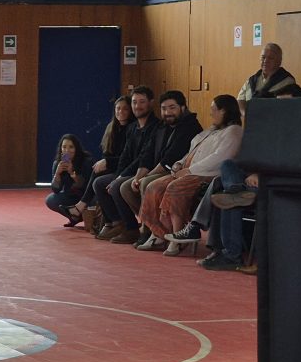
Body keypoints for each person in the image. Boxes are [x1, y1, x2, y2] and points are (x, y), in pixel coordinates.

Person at [137, 95, 243, 255]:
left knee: (175, 187)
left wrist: (190, 170)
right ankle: (158, 233)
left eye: (213, 110)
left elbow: (220, 158)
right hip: (188, 171)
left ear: (224, 111)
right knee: (153, 187)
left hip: (206, 175)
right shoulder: (211, 131)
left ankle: (177, 239)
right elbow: (192, 151)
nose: (211, 113)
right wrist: (179, 163)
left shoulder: (234, 131)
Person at [115, 90, 201, 246]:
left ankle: (154, 231)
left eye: (172, 108)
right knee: (125, 187)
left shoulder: (190, 127)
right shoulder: (162, 126)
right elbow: (147, 154)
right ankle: (152, 226)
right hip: (159, 170)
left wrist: (146, 177)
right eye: (164, 108)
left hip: (177, 172)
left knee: (146, 183)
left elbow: (170, 158)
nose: (167, 112)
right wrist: (138, 176)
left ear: (183, 107)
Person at [94, 86, 159, 242]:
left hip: (147, 170)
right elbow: (126, 155)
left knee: (117, 186)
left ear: (151, 103)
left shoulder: (156, 127)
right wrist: (118, 175)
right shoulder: (132, 127)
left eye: (142, 102)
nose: (137, 106)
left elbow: (143, 157)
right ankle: (117, 222)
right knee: (99, 183)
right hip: (130, 171)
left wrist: (120, 177)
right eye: (134, 102)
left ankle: (132, 229)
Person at [69, 96, 132, 231]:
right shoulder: (112, 127)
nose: (120, 112)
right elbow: (107, 153)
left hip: (126, 168)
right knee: (98, 172)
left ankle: (110, 220)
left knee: (99, 181)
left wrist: (107, 162)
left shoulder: (132, 129)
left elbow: (127, 157)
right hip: (115, 166)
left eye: (125, 109)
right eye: (118, 108)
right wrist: (105, 161)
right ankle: (107, 222)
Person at [44, 134, 93, 227]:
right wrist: (57, 174)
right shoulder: (58, 163)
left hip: (86, 197)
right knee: (51, 200)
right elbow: (55, 190)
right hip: (71, 196)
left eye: (71, 147)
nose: (67, 150)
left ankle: (89, 218)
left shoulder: (87, 161)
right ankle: (74, 217)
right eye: (64, 147)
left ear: (76, 148)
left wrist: (72, 173)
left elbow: (85, 186)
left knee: (95, 201)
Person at [236, 43, 295, 109]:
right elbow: (240, 100)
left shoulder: (287, 82)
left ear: (279, 61)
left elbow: (286, 107)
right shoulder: (251, 81)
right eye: (263, 57)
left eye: (271, 58)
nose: (265, 61)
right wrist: (245, 113)